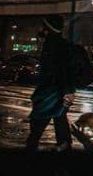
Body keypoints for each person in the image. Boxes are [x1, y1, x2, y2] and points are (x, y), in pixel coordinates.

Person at [26, 15, 75, 152]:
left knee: (40, 117)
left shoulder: (53, 45)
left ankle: (32, 145)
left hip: (51, 90)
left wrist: (68, 90)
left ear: (49, 29)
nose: (41, 29)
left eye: (44, 27)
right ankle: (64, 143)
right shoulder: (60, 44)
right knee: (59, 116)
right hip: (56, 89)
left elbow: (61, 69)